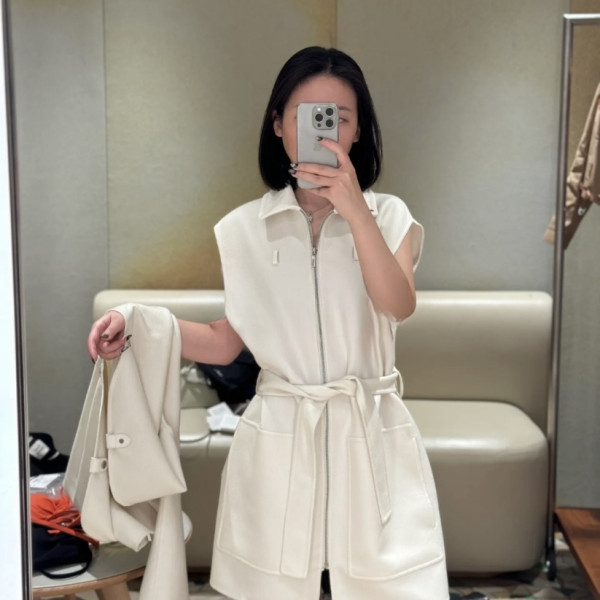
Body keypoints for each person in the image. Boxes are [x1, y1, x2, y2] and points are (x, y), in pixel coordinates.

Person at [88, 47, 448, 600]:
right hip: (280, 440)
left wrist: (356, 210)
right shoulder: (243, 230)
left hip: (371, 434)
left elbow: (397, 304)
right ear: (279, 123)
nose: (325, 131)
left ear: (359, 131)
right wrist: (135, 322)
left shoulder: (390, 215)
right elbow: (227, 342)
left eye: (339, 118)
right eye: (307, 116)